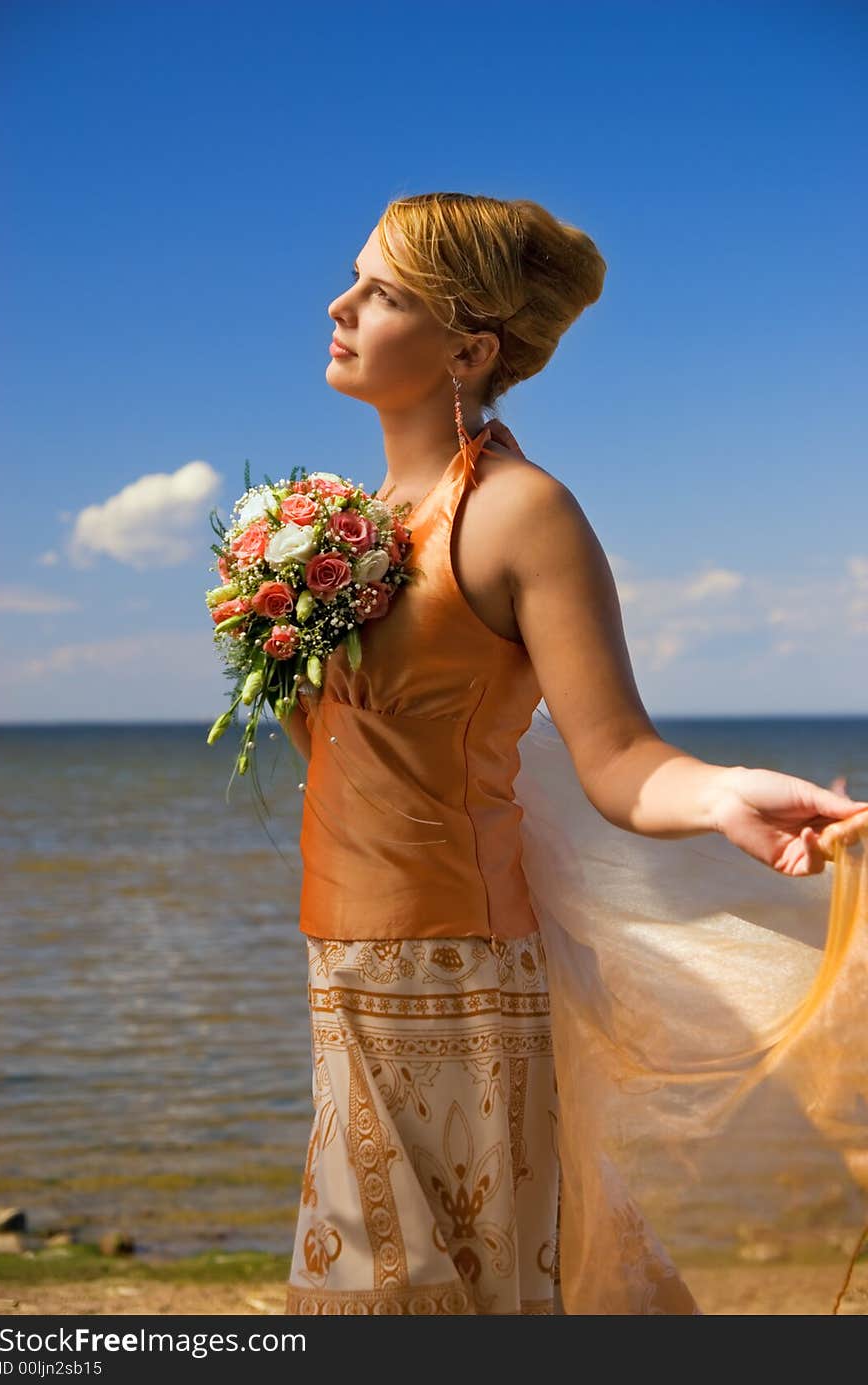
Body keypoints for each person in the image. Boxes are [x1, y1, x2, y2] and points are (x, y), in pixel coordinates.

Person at [279, 192, 868, 1315]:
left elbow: (618, 755)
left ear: (469, 347)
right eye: (353, 278)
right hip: (343, 964)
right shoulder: (352, 522)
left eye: (381, 291)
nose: (338, 304)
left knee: (448, 1290)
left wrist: (725, 791)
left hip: (458, 979)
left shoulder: (519, 512)